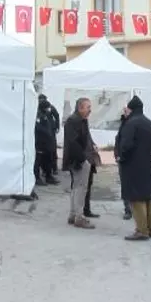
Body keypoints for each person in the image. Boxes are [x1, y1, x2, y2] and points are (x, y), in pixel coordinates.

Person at [118, 96, 151, 241]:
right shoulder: (149, 123)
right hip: (147, 164)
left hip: (132, 165)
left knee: (136, 198)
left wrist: (120, 157)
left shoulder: (131, 123)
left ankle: (142, 230)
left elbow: (126, 145)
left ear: (131, 109)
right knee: (148, 197)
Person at [62, 98, 96, 229]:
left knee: (76, 187)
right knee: (81, 188)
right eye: (88, 107)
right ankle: (79, 217)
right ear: (80, 108)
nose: (90, 110)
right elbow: (73, 142)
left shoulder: (81, 120)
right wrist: (83, 159)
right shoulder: (73, 121)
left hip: (78, 159)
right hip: (78, 160)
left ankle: (73, 214)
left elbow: (85, 138)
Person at [34, 97, 59, 186]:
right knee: (38, 161)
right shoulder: (38, 115)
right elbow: (38, 127)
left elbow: (56, 116)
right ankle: (37, 178)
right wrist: (46, 133)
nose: (49, 109)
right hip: (40, 143)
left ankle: (49, 176)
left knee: (48, 160)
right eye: (48, 107)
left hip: (48, 142)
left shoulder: (46, 114)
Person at [114, 107, 133, 220]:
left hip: (131, 160)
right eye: (124, 111)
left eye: (127, 111)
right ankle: (128, 209)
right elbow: (118, 140)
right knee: (125, 185)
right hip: (122, 159)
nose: (124, 113)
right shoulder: (124, 124)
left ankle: (134, 208)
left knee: (132, 185)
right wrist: (117, 154)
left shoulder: (133, 124)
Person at [39, 94, 61, 175]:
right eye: (40, 99)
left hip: (51, 131)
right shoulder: (37, 108)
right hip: (43, 133)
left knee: (52, 150)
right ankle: (45, 170)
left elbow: (57, 115)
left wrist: (57, 126)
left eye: (43, 99)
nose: (41, 101)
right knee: (43, 152)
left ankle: (54, 168)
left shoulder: (50, 107)